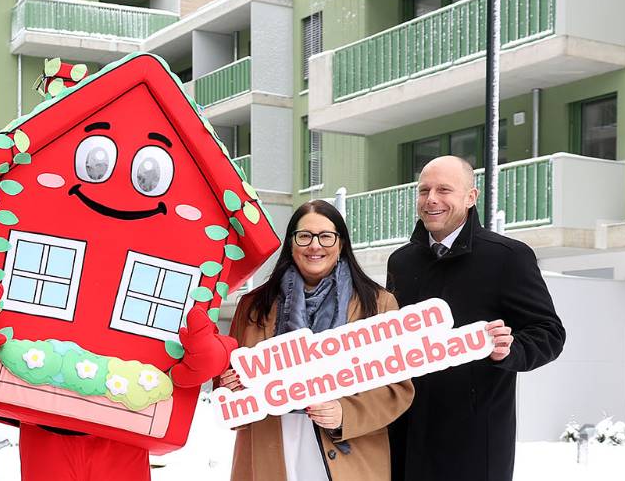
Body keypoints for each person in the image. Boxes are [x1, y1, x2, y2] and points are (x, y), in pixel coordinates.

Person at [385, 156, 566, 481]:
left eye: (444, 190)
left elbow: (550, 333)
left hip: (472, 442)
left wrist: (510, 349)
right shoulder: (401, 261)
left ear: (471, 197)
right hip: (405, 436)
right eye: (424, 190)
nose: (431, 199)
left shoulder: (508, 257)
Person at [218, 200, 414, 481]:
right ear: (291, 243)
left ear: (341, 243)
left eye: (325, 236)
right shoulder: (253, 305)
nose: (314, 245)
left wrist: (345, 413)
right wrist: (230, 387)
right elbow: (227, 378)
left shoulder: (379, 304)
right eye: (304, 236)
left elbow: (398, 389)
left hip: (349, 453)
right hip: (270, 445)